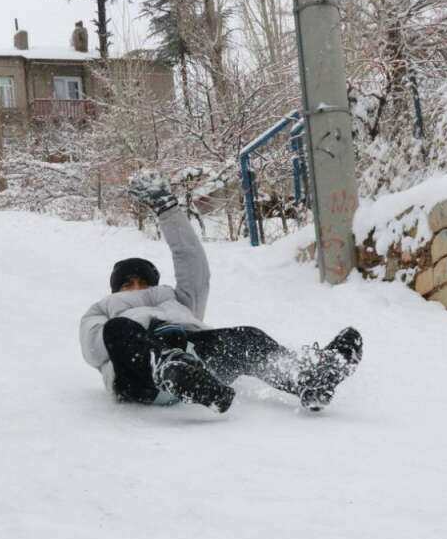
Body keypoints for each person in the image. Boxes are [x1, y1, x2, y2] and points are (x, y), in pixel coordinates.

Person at [78, 173, 362, 414]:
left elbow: (192, 262)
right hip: (139, 376)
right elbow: (94, 351)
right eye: (128, 285)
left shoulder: (174, 300)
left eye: (143, 282)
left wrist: (167, 210)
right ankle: (171, 370)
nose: (136, 289)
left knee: (247, 336)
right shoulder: (103, 310)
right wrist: (146, 342)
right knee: (118, 330)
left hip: (195, 361)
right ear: (116, 290)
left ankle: (308, 379)